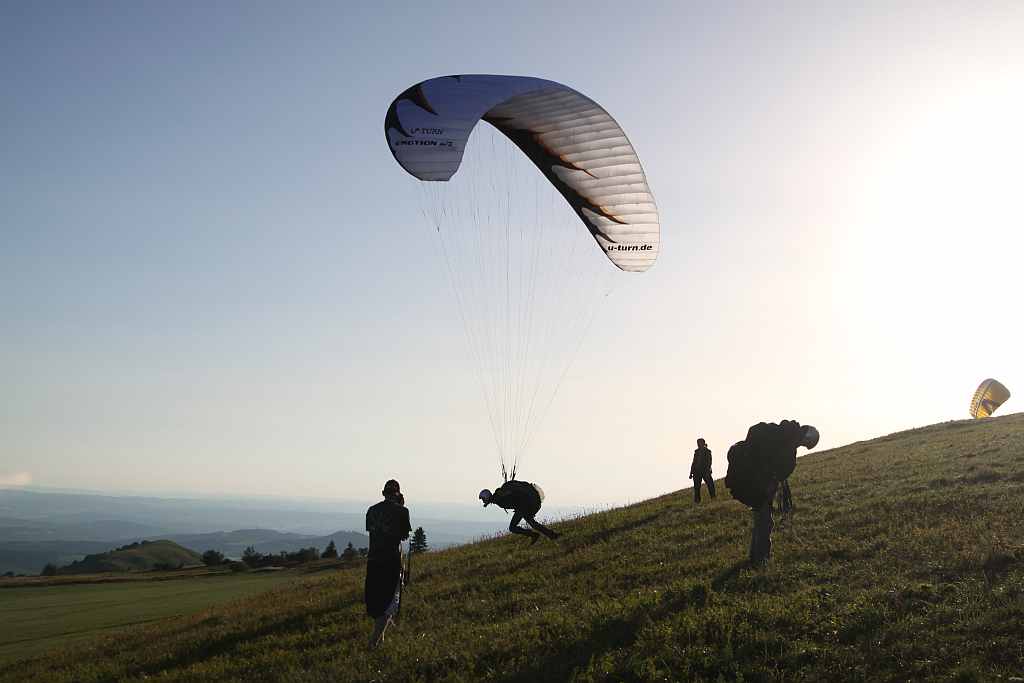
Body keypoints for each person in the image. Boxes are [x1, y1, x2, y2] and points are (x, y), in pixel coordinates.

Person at [725, 420, 819, 567]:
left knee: (761, 517)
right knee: (765, 521)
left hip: (747, 481)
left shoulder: (780, 434)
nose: (802, 445)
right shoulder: (785, 441)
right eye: (805, 443)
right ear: (806, 438)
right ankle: (761, 559)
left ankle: (755, 556)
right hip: (753, 483)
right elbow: (778, 469)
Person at [364, 479, 411, 648]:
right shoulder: (402, 511)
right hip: (391, 561)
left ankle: (380, 640)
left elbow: (372, 531)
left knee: (377, 601)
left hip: (373, 561)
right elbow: (404, 536)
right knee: (390, 602)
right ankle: (373, 642)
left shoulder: (371, 510)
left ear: (384, 493)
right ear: (398, 494)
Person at [479, 479, 560, 544]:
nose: (483, 501)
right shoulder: (498, 496)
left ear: (486, 497)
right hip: (525, 505)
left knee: (512, 527)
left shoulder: (498, 497)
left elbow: (512, 496)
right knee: (533, 524)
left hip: (523, 506)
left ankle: (535, 535)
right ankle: (552, 535)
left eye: (483, 499)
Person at [690, 438, 715, 502]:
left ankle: (713, 497)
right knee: (697, 487)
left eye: (699, 443)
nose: (698, 444)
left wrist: (708, 470)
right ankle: (697, 500)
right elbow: (694, 462)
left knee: (710, 485)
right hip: (696, 472)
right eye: (697, 443)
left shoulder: (707, 451)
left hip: (705, 471)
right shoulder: (696, 452)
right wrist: (691, 472)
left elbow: (709, 462)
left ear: (703, 443)